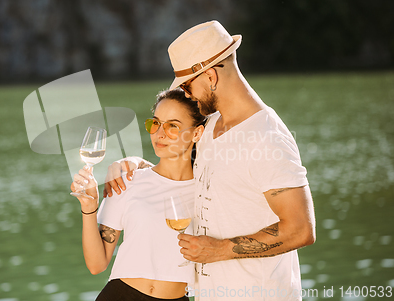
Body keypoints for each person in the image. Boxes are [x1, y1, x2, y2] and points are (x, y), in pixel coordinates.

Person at [104, 21, 316, 300]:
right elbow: (179, 170)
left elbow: (301, 228)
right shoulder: (211, 126)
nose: (186, 95)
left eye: (187, 85)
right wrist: (134, 164)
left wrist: (220, 250)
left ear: (211, 77)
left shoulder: (266, 138)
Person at [70, 88, 206, 300]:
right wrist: (89, 209)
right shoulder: (127, 181)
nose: (159, 134)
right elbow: (97, 264)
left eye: (173, 126)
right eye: (156, 123)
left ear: (196, 133)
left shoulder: (208, 190)